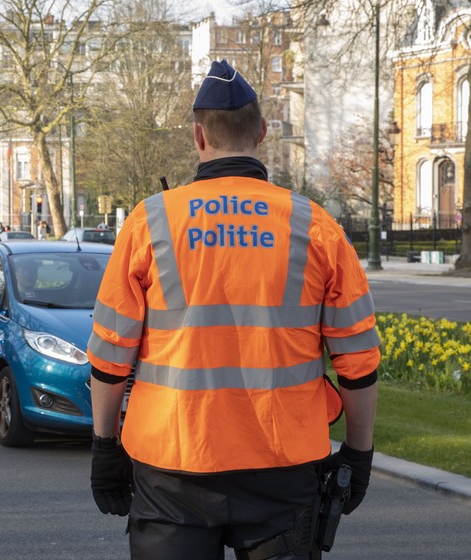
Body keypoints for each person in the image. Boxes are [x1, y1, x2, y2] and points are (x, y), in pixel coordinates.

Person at [87, 60, 380, 559]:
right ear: (263, 132)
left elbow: (109, 358)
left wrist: (104, 447)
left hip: (172, 463)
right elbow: (359, 362)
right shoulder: (315, 226)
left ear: (199, 137)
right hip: (282, 465)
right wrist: (359, 452)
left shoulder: (150, 222)